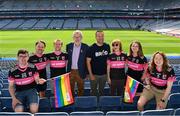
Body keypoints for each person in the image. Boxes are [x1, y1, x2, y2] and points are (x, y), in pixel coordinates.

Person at [8, 49, 46, 113]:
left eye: (25, 56)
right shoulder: (12, 71)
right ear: (17, 57)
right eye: (21, 56)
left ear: (28, 57)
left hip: (32, 90)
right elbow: (11, 86)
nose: (23, 58)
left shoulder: (33, 67)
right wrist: (14, 98)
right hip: (19, 92)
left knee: (34, 110)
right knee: (18, 111)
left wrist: (40, 81)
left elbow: (37, 80)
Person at [87, 30, 110, 96]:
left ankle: (101, 104)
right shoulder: (91, 48)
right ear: (96, 37)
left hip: (104, 74)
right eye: (99, 36)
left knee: (102, 90)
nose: (100, 37)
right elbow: (88, 62)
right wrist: (90, 74)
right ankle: (94, 104)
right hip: (94, 74)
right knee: (93, 91)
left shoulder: (107, 46)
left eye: (102, 36)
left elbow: (109, 60)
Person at [66, 30, 89, 96]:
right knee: (70, 88)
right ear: (73, 38)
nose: (77, 38)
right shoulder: (69, 46)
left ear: (81, 38)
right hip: (71, 71)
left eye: (78, 37)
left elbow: (87, 60)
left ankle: (80, 100)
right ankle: (72, 101)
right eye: (75, 37)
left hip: (81, 71)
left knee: (81, 88)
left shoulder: (86, 47)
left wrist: (87, 73)